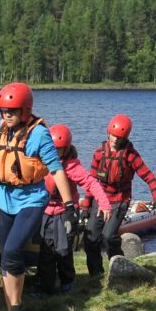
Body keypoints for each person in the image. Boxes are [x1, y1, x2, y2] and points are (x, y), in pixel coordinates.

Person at [0, 82, 74, 311]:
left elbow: (56, 171)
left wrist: (69, 208)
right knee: (7, 256)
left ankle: (16, 310)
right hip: (3, 198)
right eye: (3, 110)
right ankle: (14, 310)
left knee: (13, 250)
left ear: (25, 110)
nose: (7, 115)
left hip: (31, 200)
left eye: (12, 110)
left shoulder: (39, 134)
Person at [84, 115, 156, 279]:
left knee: (107, 237)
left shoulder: (131, 156)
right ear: (108, 133)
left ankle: (119, 266)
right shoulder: (99, 153)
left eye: (119, 137)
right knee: (91, 239)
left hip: (119, 201)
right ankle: (96, 275)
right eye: (113, 135)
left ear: (125, 138)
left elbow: (149, 177)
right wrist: (87, 204)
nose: (115, 140)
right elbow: (92, 180)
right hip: (100, 200)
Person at [37, 124, 112, 294]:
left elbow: (91, 182)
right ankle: (45, 286)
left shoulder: (71, 167)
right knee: (46, 251)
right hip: (46, 212)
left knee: (63, 249)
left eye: (60, 150)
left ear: (67, 149)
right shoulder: (40, 161)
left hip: (66, 213)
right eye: (53, 149)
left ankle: (67, 281)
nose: (55, 153)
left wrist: (104, 203)